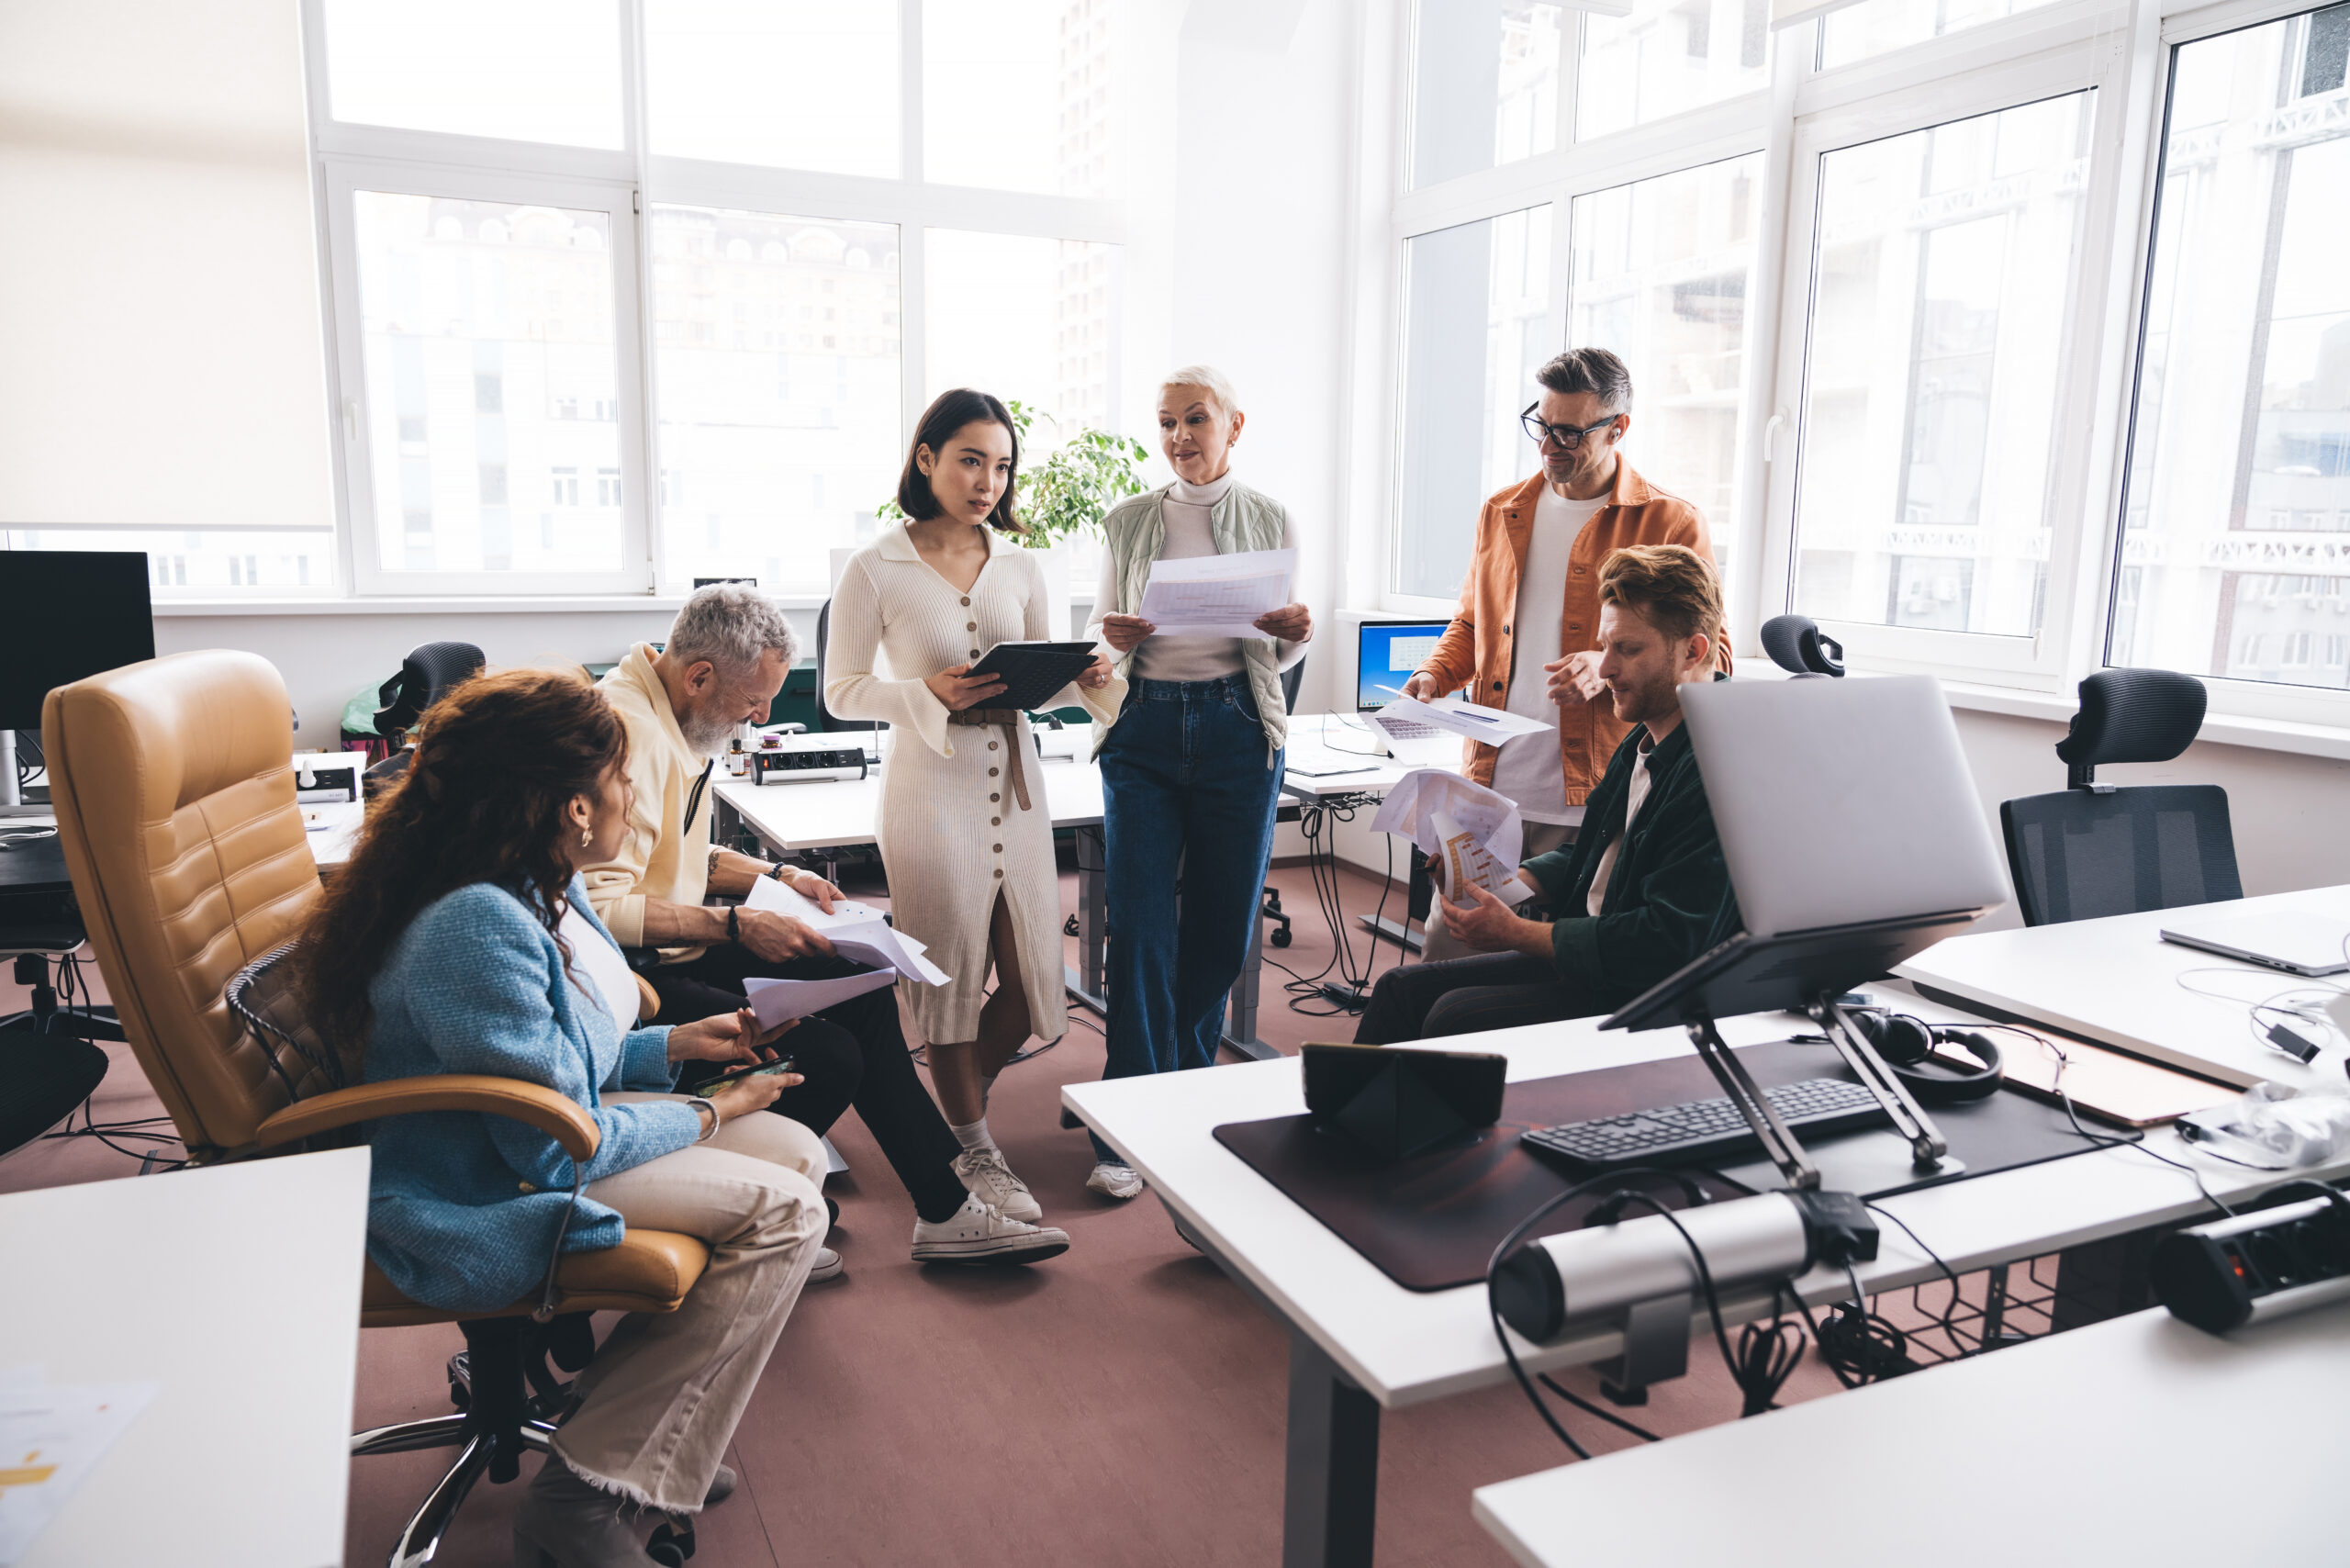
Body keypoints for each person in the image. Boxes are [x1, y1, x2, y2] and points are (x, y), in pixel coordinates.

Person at [294, 669, 822, 1564]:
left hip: (533, 1126)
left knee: (797, 1153)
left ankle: (625, 1422)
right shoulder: (475, 925)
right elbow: (546, 1138)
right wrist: (702, 1113)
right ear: (572, 806)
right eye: (619, 778)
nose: (629, 794)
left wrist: (677, 1046)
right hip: (477, 1176)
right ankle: (580, 1496)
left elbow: (558, 1049)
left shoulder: (542, 881)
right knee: (789, 1212)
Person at [588, 582, 1069, 1266]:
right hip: (631, 977)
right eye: (754, 701)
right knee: (828, 1057)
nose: (758, 718)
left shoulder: (672, 705)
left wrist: (775, 878)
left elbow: (680, 848)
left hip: (676, 942)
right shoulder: (627, 733)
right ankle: (749, 1206)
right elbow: (597, 909)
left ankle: (943, 1208)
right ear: (699, 676)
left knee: (861, 978)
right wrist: (735, 926)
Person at [826, 387, 1123, 1220]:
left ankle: (962, 1088)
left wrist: (1086, 677)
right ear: (926, 460)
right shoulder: (875, 567)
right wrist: (927, 691)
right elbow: (844, 691)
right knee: (952, 973)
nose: (987, 480)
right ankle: (974, 1147)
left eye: (1000, 465)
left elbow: (1044, 672)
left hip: (1017, 791)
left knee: (1033, 981)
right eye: (969, 460)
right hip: (930, 792)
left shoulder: (1025, 565)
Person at [1404, 348, 1727, 965]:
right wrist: (1433, 673)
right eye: (1542, 424)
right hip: (1494, 779)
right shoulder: (1503, 509)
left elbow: (1715, 656)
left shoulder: (1670, 520)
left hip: (1591, 790)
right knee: (1447, 947)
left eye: (1571, 431)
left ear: (1618, 428)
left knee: (1555, 964)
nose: (1550, 444)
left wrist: (1597, 664)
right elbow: (1473, 621)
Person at [1080, 366, 1311, 1201]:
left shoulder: (1271, 516)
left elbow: (1277, 652)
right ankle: (1133, 1109)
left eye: (1196, 419)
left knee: (1221, 922)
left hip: (1237, 728)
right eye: (1167, 420)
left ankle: (1182, 1080)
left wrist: (1296, 632)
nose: (1180, 435)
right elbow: (1100, 653)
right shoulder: (1128, 519)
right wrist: (1107, 638)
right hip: (1143, 725)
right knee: (1139, 923)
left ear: (1234, 426)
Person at [1356, 546, 1737, 1043]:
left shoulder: (1719, 766)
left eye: (1628, 649)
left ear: (1694, 650)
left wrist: (1520, 934)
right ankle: (1343, 1118)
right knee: (1400, 990)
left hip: (1639, 989)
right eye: (1605, 647)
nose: (1605, 670)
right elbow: (1590, 852)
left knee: (1452, 1019)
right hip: (1596, 962)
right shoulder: (1643, 741)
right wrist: (1508, 880)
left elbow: (1668, 941)